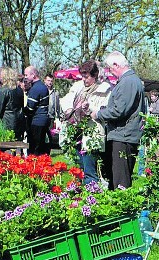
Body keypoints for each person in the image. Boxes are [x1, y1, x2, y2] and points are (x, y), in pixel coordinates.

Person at [91, 51, 145, 189]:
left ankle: (123, 209)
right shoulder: (129, 81)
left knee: (121, 182)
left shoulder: (128, 82)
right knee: (116, 178)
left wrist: (99, 113)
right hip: (123, 135)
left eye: (110, 68)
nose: (110, 72)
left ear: (116, 64)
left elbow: (119, 110)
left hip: (123, 136)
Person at [61, 60, 112, 184]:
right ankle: (80, 196)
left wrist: (89, 109)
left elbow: (104, 111)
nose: (84, 79)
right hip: (76, 131)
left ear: (94, 75)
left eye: (87, 76)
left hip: (92, 135)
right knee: (79, 169)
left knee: (90, 170)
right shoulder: (78, 87)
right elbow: (66, 99)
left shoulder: (105, 90)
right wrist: (68, 109)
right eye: (82, 76)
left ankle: (91, 197)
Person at [23, 65, 50, 155]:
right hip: (43, 120)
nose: (25, 77)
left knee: (34, 148)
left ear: (33, 75)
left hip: (36, 121)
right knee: (41, 146)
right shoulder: (43, 86)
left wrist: (21, 112)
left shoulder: (35, 89)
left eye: (26, 75)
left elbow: (30, 108)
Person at [0, 67, 25, 141]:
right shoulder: (19, 90)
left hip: (7, 121)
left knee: (7, 143)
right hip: (19, 120)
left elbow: (0, 108)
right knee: (17, 143)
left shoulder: (4, 90)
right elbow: (21, 106)